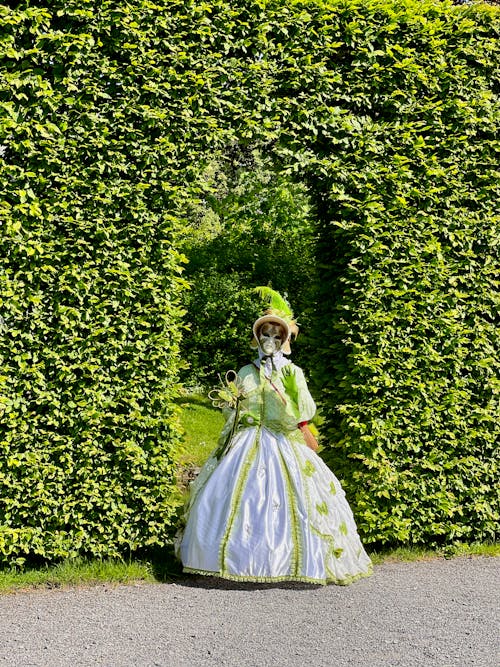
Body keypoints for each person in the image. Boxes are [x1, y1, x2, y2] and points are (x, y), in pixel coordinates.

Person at [177, 287, 372, 585]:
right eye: (265, 335)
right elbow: (237, 408)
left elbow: (306, 409)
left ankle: (295, 562)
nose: (270, 341)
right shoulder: (245, 370)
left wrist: (288, 394)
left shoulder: (293, 373)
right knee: (233, 497)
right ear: (257, 339)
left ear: (284, 340)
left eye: (276, 336)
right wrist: (234, 408)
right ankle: (236, 562)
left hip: (283, 442)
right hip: (247, 442)